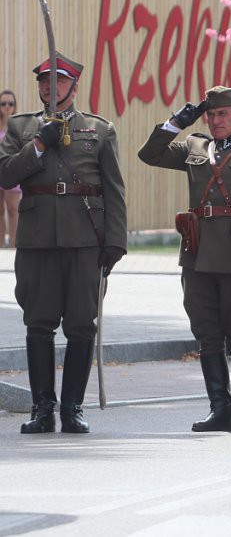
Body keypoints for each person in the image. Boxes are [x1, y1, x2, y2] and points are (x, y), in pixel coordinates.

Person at [138, 86, 231, 433]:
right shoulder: (195, 147)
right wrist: (177, 123)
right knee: (207, 333)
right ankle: (218, 407)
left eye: (222, 114)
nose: (216, 121)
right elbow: (149, 154)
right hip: (197, 255)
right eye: (211, 115)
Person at [0, 53, 127, 434]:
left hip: (85, 239)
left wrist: (116, 241)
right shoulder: (21, 127)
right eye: (44, 81)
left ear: (73, 86)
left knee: (81, 324)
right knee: (38, 323)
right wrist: (40, 144)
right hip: (37, 239)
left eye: (58, 81)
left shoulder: (98, 129)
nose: (49, 87)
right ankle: (43, 409)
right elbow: (6, 176)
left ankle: (72, 408)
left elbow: (114, 189)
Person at [0, 90, 22, 247]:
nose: (7, 106)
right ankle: (0, 247)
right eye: (3, 103)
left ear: (15, 106)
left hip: (11, 170)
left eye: (10, 103)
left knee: (13, 210)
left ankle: (14, 247)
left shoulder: (17, 126)